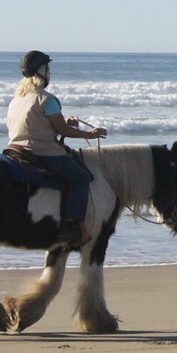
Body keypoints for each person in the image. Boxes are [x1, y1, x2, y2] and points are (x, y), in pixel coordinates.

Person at [6, 51, 108, 246]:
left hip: (15, 148)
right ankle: (70, 227)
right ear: (42, 71)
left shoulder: (17, 99)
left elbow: (38, 123)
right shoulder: (47, 99)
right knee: (81, 178)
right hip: (42, 151)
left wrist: (64, 122)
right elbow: (62, 130)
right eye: (48, 69)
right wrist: (90, 135)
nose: (50, 73)